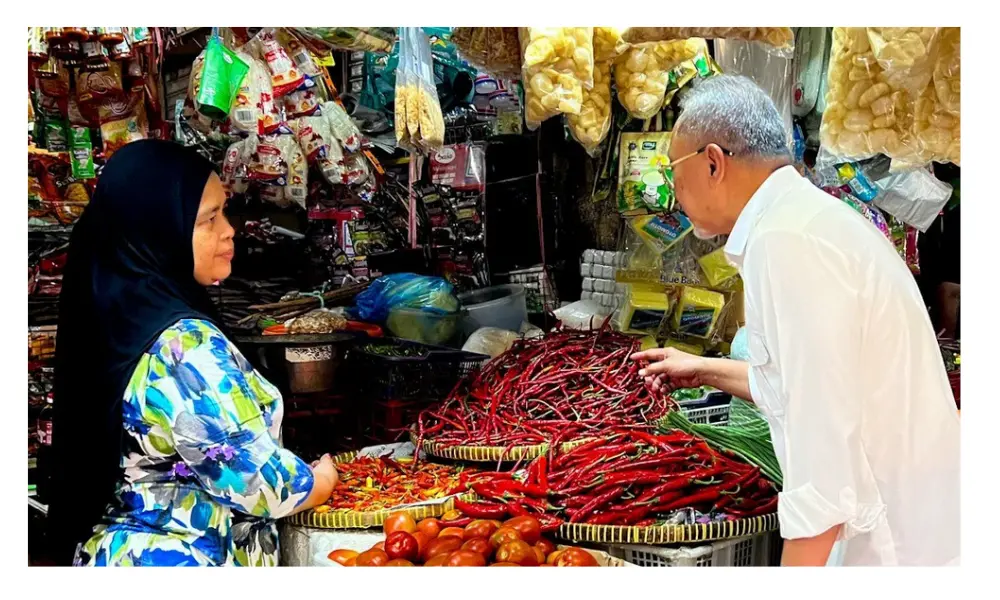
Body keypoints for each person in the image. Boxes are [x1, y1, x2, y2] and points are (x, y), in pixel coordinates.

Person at [632, 76, 960, 566]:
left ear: (713, 161)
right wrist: (703, 369)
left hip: (896, 547)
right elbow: (807, 385)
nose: (672, 188)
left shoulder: (788, 242)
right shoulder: (801, 222)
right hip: (916, 527)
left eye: (672, 167)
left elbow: (822, 471)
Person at [49, 140, 339, 566]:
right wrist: (320, 482)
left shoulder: (117, 315)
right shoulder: (184, 345)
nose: (229, 230)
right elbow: (260, 483)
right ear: (160, 229)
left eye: (223, 211)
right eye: (208, 219)